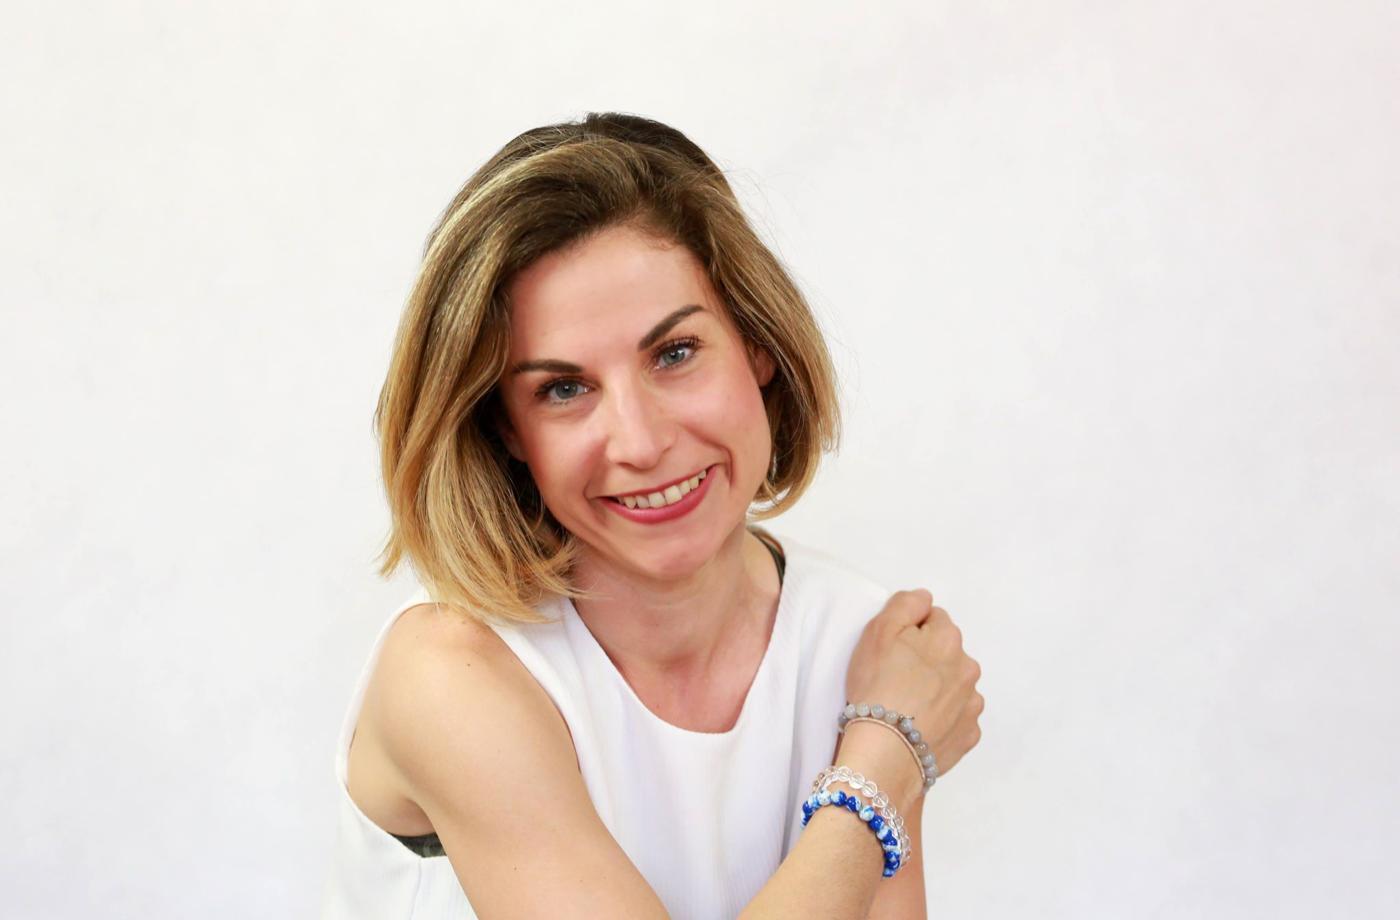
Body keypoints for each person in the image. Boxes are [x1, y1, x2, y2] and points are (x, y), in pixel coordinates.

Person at [319, 112, 983, 920]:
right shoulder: (451, 673)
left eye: (674, 353)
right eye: (564, 389)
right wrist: (880, 768)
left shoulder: (859, 642)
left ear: (758, 343)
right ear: (506, 430)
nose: (639, 442)